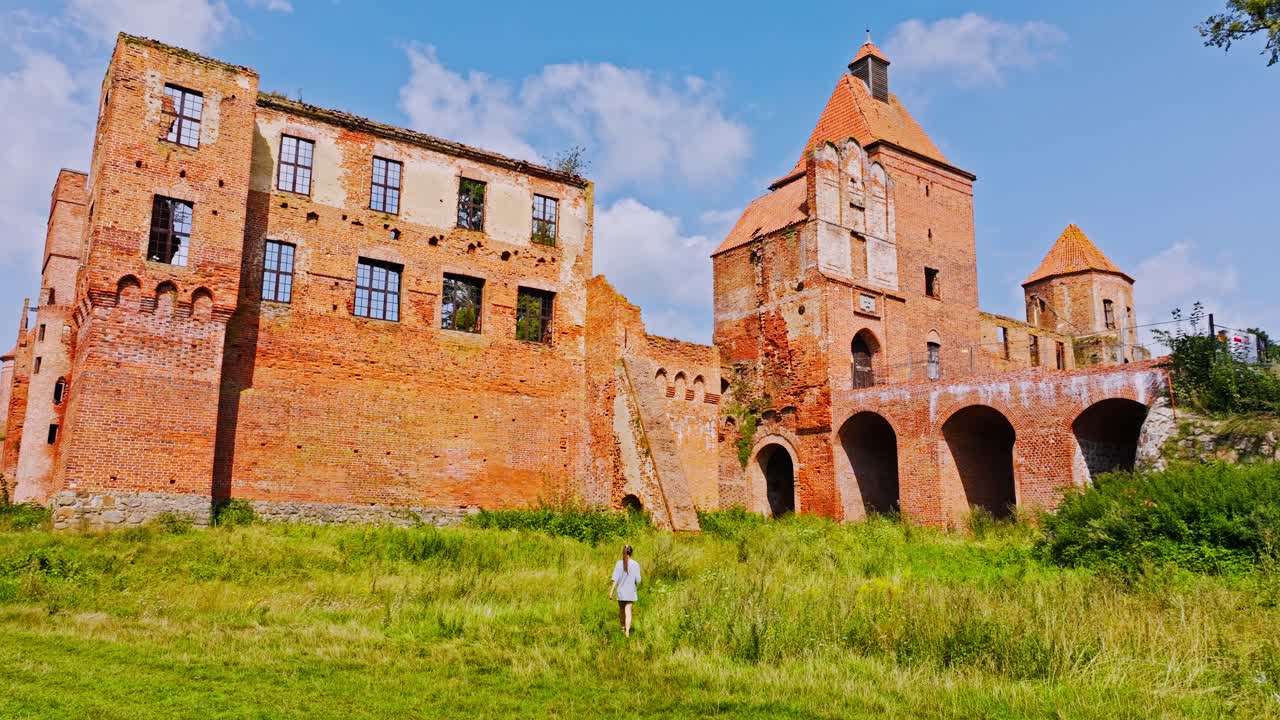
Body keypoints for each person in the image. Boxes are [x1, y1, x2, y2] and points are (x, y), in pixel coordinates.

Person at [608, 544, 641, 637]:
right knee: (628, 611)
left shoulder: (619, 563)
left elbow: (615, 579)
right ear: (631, 552)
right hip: (630, 592)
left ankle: (623, 627)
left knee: (621, 611)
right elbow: (638, 580)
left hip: (621, 592)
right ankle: (627, 632)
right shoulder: (635, 564)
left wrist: (611, 592)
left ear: (623, 552)